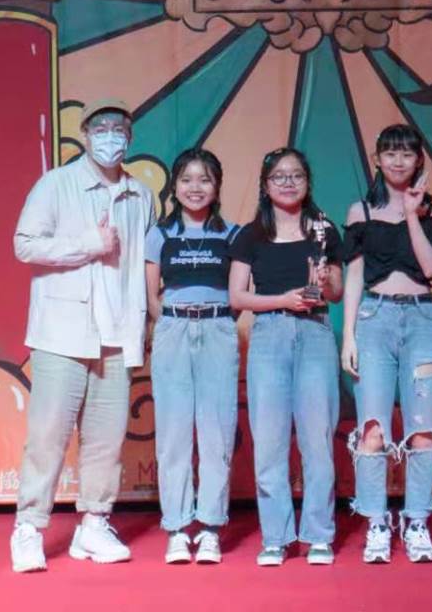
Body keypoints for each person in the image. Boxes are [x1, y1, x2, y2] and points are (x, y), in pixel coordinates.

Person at [8, 98, 156, 572]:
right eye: (101, 127)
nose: (110, 135)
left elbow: (143, 265)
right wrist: (88, 246)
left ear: (129, 138)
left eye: (119, 128)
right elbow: (24, 245)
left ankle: (94, 524)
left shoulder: (141, 195)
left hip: (117, 331)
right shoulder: (56, 184)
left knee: (106, 440)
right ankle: (29, 527)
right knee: (48, 436)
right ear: (86, 134)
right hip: (62, 332)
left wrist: (145, 323)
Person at [340, 124, 432, 564]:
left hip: (422, 319)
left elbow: (431, 268)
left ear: (419, 159)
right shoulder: (361, 211)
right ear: (377, 159)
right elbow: (353, 275)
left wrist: (412, 214)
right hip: (374, 320)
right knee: (372, 429)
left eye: (407, 153)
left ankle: (417, 522)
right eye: (390, 153)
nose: (399, 161)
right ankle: (377, 524)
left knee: (423, 430)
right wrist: (348, 335)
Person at [228, 147, 343, 567]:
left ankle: (318, 534)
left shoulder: (324, 231)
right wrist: (282, 299)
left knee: (317, 438)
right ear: (265, 185)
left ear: (308, 182)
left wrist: (325, 281)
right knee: (270, 440)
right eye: (279, 176)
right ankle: (275, 536)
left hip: (315, 332)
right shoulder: (251, 235)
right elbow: (237, 297)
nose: (288, 182)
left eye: (296, 175)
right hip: (269, 335)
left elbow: (336, 293)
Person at [144, 148, 241, 565]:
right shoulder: (159, 234)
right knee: (174, 434)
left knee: (217, 432)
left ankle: (211, 528)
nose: (195, 188)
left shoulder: (233, 235)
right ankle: (178, 528)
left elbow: (239, 293)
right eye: (186, 179)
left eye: (204, 179)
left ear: (217, 186)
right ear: (175, 186)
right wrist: (173, 323)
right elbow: (151, 296)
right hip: (173, 331)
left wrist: (216, 322)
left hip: (218, 329)